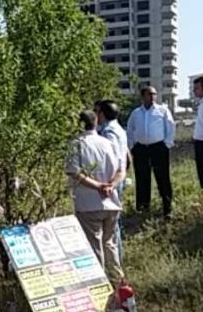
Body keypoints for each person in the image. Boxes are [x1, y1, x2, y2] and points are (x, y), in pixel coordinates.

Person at [65, 110, 126, 285]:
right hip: (112, 202)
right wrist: (111, 185)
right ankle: (119, 282)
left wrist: (98, 186)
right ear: (95, 122)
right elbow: (121, 170)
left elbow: (74, 172)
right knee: (110, 243)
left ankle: (99, 285)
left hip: (88, 203)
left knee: (94, 246)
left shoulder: (76, 144)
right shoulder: (108, 143)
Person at [125, 86, 176, 218]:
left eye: (154, 94)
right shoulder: (136, 113)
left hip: (158, 148)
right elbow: (130, 129)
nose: (153, 97)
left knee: (163, 178)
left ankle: (167, 208)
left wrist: (167, 145)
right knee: (142, 178)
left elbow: (170, 127)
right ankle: (143, 208)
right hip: (141, 148)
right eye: (149, 94)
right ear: (143, 97)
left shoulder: (163, 110)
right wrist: (132, 145)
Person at [95, 100, 129, 261]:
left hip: (111, 181)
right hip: (116, 179)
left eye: (97, 112)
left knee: (112, 225)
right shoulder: (118, 129)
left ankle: (116, 263)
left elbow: (111, 159)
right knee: (112, 223)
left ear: (102, 113)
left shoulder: (109, 133)